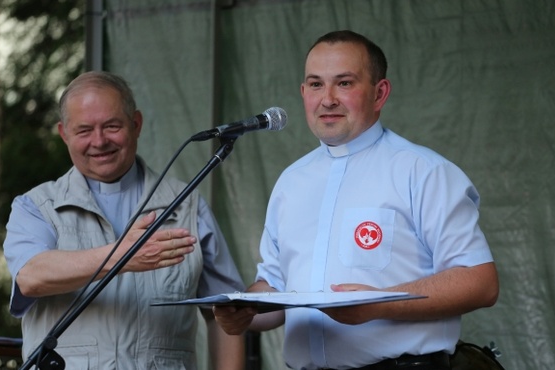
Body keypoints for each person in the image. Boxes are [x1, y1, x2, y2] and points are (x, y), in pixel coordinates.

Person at [213, 30, 499, 370]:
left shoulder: (424, 171)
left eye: (344, 83)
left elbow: (480, 282)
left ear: (380, 93)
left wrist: (378, 306)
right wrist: (243, 313)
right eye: (316, 84)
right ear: (303, 92)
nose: (328, 99)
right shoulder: (291, 182)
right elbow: (275, 287)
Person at [3, 71, 245, 370]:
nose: (100, 141)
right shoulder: (36, 206)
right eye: (83, 131)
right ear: (64, 134)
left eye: (112, 126)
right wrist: (124, 255)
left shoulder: (186, 202)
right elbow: (30, 277)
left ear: (137, 124)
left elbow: (227, 312)